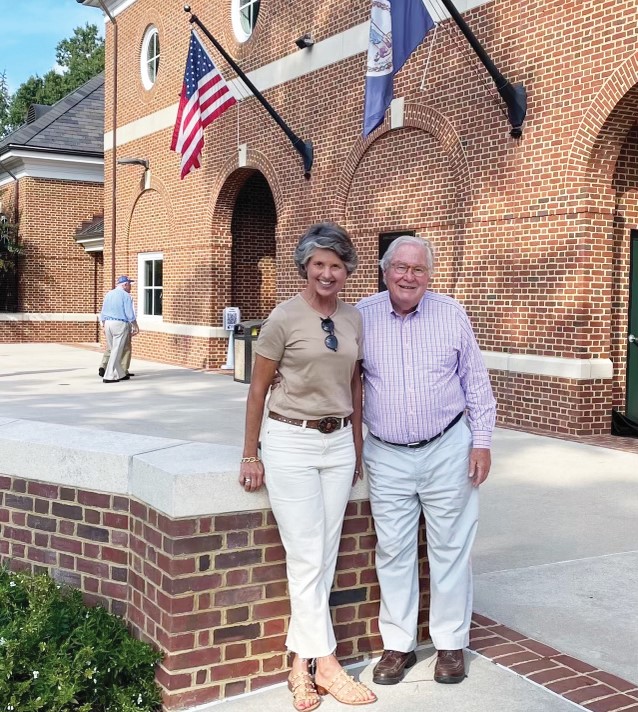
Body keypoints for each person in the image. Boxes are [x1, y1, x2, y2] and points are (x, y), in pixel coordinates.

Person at [239, 222, 376, 710]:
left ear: (346, 271)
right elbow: (257, 390)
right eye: (319, 263)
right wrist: (250, 453)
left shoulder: (355, 319)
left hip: (337, 444)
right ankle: (330, 665)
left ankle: (300, 666)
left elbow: (356, 387)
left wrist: (356, 445)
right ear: (305, 267)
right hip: (289, 443)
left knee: (325, 554)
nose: (327, 272)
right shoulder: (282, 318)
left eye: (336, 265)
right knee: (305, 556)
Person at [357, 235, 496, 686]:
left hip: (447, 448)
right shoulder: (363, 316)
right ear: (385, 270)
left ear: (429, 275)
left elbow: (476, 383)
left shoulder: (451, 313)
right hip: (387, 452)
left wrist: (482, 442)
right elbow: (346, 381)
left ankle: (450, 645)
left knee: (451, 549)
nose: (408, 276)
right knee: (393, 550)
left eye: (418, 270)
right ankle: (397, 645)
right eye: (400, 267)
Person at [99, 275, 139, 383]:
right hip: (120, 324)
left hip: (107, 323)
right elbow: (130, 314)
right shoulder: (126, 296)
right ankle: (109, 376)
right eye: (129, 284)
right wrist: (136, 326)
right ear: (125, 284)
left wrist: (103, 324)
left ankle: (120, 373)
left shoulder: (108, 294)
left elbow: (102, 311)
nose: (130, 287)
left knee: (113, 350)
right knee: (117, 351)